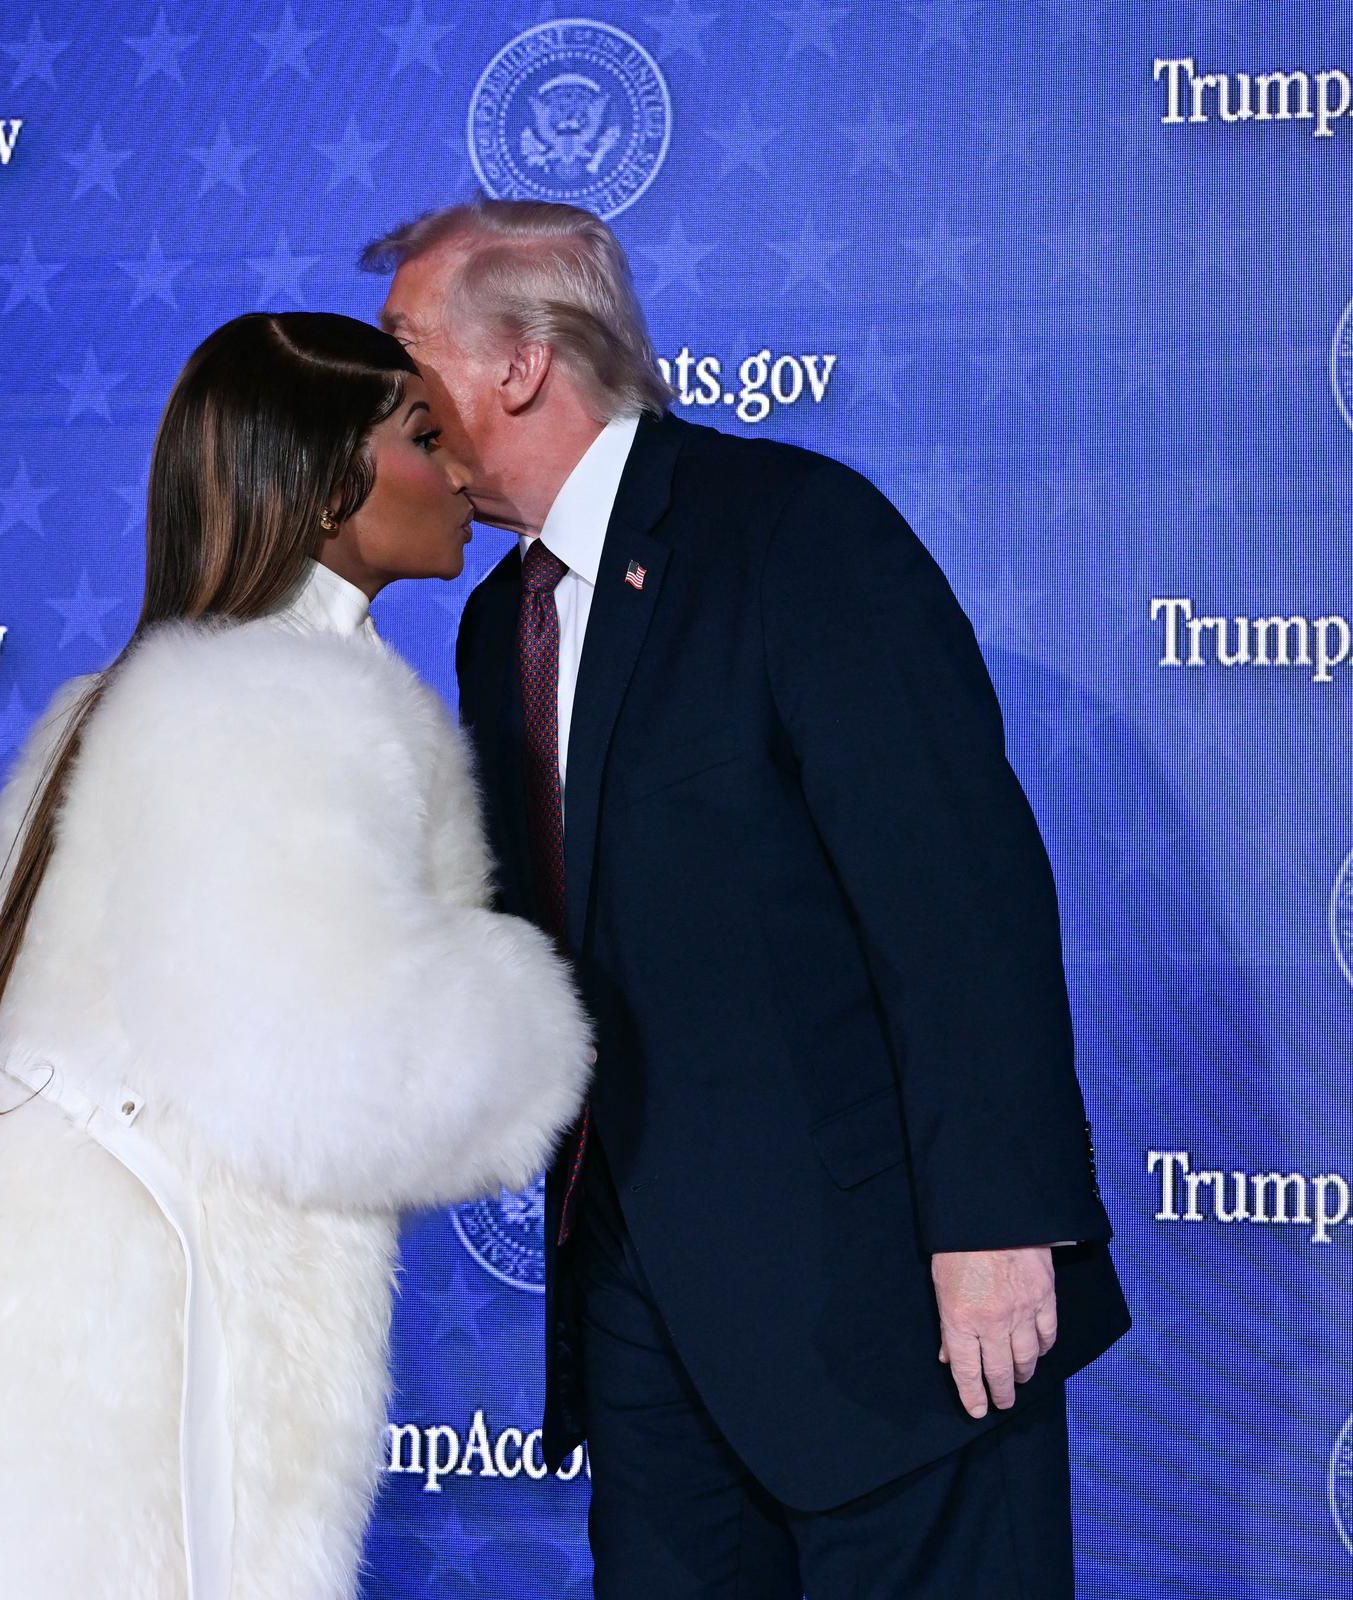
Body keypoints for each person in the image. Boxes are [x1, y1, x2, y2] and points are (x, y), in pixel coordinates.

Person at [362, 200, 1130, 1599]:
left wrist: (995, 1224)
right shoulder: (494, 624)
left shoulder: (792, 533)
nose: (384, 385)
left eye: (404, 344)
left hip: (896, 1311)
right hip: (646, 1330)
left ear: (522, 364)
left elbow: (959, 898)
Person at [0, 311, 592, 1600]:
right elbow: (342, 1089)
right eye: (422, 436)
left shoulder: (143, 693)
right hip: (117, 1345)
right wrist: (545, 1019)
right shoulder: (286, 708)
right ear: (326, 485)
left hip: (31, 1314)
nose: (461, 474)